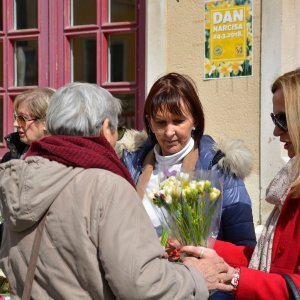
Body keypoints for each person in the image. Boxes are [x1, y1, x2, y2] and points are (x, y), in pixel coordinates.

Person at [0, 82, 234, 299]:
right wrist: (196, 277)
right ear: (105, 127)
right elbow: (139, 284)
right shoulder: (106, 186)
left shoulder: (20, 179)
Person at [181, 68, 300, 299]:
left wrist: (235, 278)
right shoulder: (291, 181)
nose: (276, 131)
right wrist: (202, 245)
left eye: (283, 119)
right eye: (274, 119)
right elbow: (266, 260)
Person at [118, 72, 256, 247]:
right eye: (161, 122)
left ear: (195, 120)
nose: (169, 132)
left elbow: (243, 245)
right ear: (150, 122)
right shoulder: (131, 165)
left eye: (178, 121)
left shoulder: (219, 168)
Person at [1, 87, 55, 163]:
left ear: (46, 122)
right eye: (16, 117)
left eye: (23, 118)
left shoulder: (62, 159)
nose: (15, 124)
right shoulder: (9, 157)